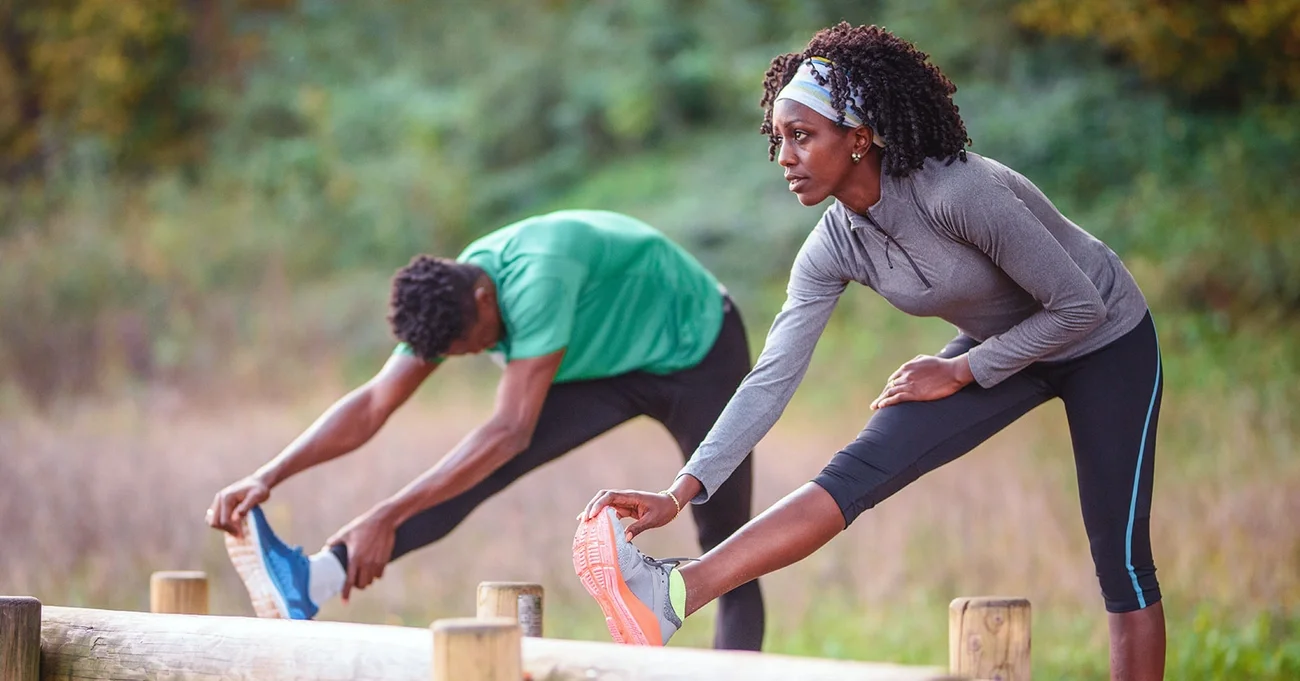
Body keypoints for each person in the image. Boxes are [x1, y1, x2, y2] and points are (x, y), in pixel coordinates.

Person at [574, 23, 1165, 680]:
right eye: (778, 139)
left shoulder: (959, 191)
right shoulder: (834, 243)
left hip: (1104, 337)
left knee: (1120, 556)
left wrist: (964, 368)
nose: (784, 157)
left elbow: (1077, 305)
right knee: (858, 467)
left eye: (802, 136)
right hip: (997, 343)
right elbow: (771, 378)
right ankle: (673, 595)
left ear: (858, 139)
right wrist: (679, 493)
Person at [206, 209, 765, 651]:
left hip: (699, 352)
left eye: (471, 344)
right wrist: (269, 474)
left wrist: (387, 513)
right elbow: (375, 401)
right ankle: (313, 582)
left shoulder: (539, 276)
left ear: (484, 299)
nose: (476, 354)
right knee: (473, 471)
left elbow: (510, 431)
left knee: (727, 542)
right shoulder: (447, 298)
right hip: (608, 370)